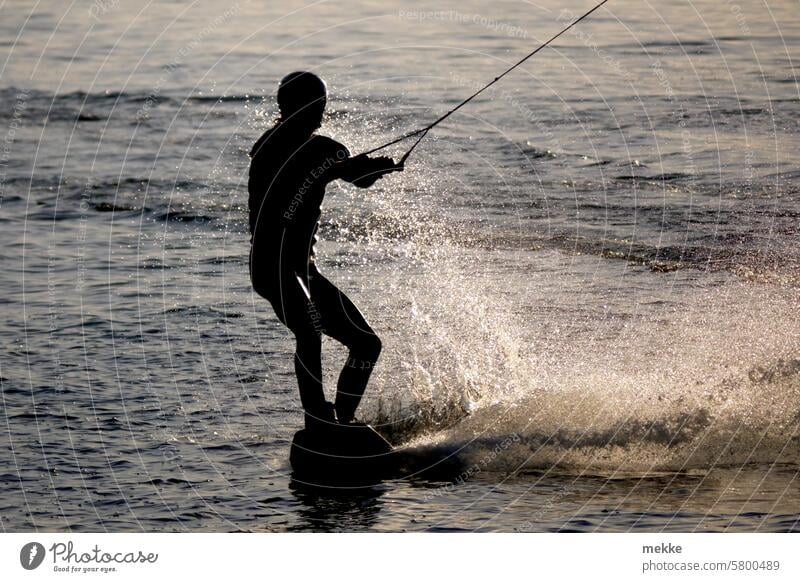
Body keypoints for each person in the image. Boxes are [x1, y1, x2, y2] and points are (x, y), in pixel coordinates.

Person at [248, 71, 402, 430]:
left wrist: (377, 168)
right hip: (274, 268)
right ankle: (317, 418)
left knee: (366, 345)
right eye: (313, 104)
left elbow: (350, 176)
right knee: (309, 330)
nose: (320, 110)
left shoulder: (302, 146)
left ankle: (343, 421)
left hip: (304, 271)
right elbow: (321, 167)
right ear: (289, 106)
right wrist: (359, 167)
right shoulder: (276, 148)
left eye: (322, 104)